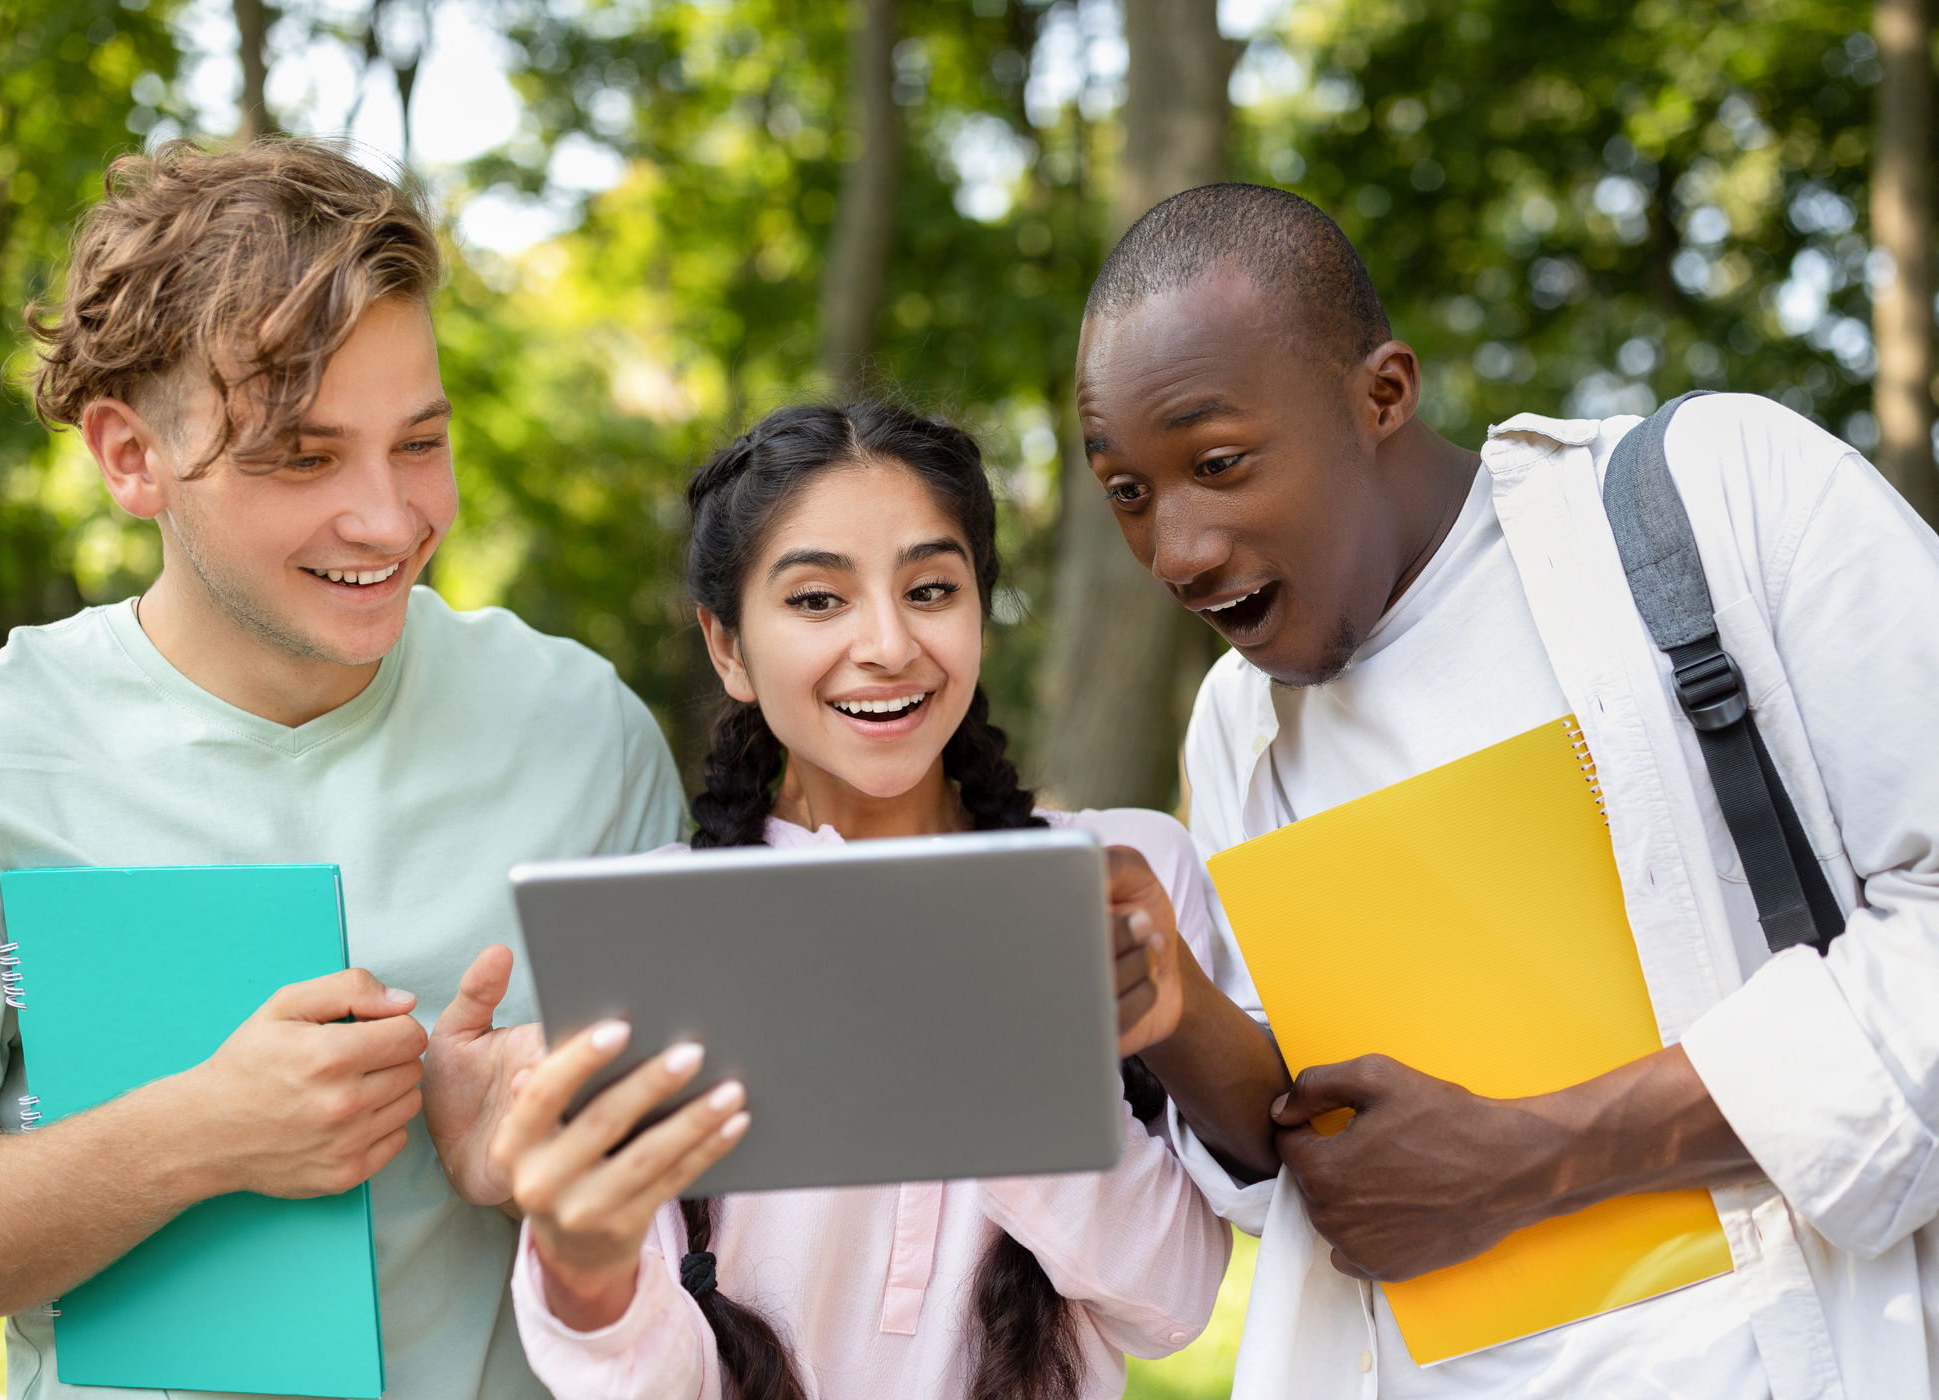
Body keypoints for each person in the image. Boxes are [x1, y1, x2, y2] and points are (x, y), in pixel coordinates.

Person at [0, 139, 683, 1400]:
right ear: (128, 456)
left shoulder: (581, 730)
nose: (388, 518)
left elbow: (710, 1221)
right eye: (302, 457)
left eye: (419, 441)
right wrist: (189, 1137)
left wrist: (550, 1166)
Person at [1074, 181, 1939, 1399]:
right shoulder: (1236, 723)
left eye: (1217, 462)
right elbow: (1327, 1152)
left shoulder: (1714, 499)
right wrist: (1162, 1001)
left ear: (1379, 393)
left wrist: (1538, 1150)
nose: (1175, 549)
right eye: (1127, 492)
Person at [425, 402, 1258, 1400]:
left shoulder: (1121, 878)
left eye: (930, 588)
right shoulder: (658, 927)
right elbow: (655, 1381)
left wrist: (1002, 1052)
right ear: (727, 646)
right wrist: (582, 1263)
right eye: (817, 599)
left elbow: (1172, 1299)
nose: (887, 642)